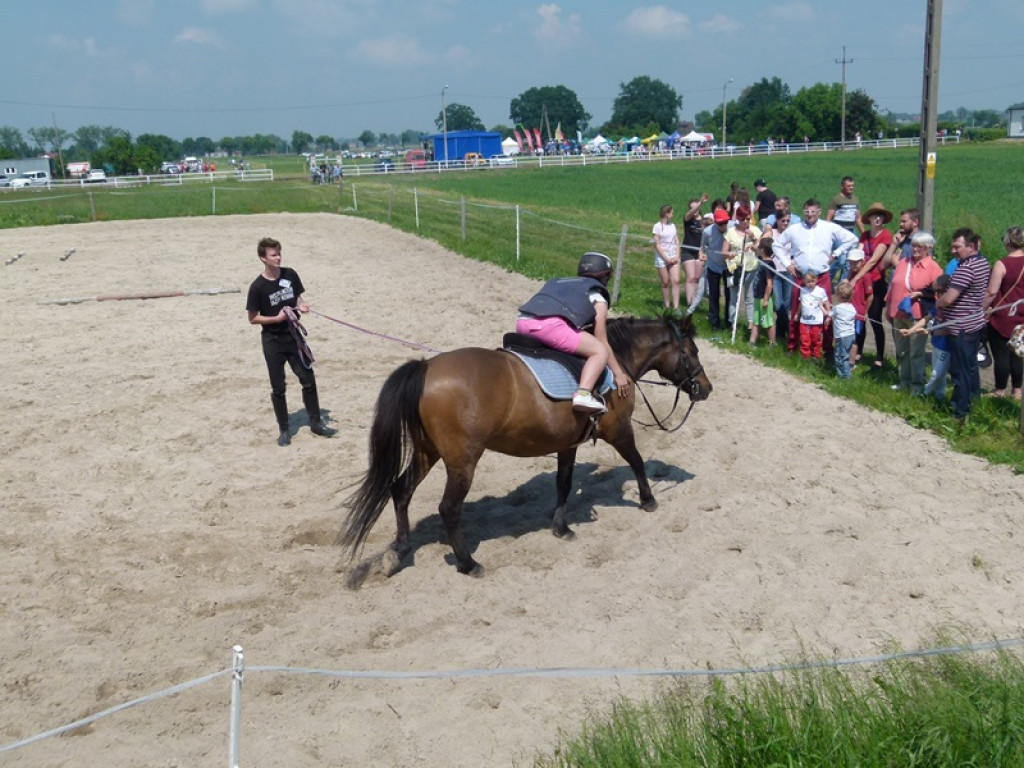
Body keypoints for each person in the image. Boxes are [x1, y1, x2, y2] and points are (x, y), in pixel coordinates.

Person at [246, 236, 336, 446]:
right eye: (273, 254)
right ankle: (284, 429)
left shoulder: (290, 274)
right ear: (263, 258)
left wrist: (301, 304)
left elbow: (296, 297)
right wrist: (276, 319)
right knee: (278, 387)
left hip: (293, 337)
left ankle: (315, 423)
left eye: (279, 253)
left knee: (308, 379)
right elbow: (253, 318)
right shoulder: (257, 287)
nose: (278, 257)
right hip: (272, 341)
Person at [516, 251, 631, 414]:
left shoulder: (562, 283)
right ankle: (583, 394)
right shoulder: (597, 296)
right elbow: (601, 339)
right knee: (599, 351)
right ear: (605, 276)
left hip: (522, 322)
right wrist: (619, 374)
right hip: (549, 328)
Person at [773, 198, 859, 355]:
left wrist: (836, 253)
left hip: (822, 276)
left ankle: (826, 348)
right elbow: (776, 245)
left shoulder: (829, 227)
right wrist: (787, 264)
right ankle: (793, 346)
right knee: (796, 310)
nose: (810, 215)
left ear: (819, 212)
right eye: (807, 212)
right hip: (800, 277)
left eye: (813, 212)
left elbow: (852, 239)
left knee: (826, 311)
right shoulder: (794, 229)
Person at [937, 228, 992, 420]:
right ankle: (973, 401)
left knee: (960, 370)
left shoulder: (966, 268)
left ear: (970, 247)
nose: (953, 251)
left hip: (961, 327)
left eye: (957, 247)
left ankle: (960, 411)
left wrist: (937, 301)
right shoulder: (982, 262)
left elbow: (949, 299)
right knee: (970, 367)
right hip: (973, 323)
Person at [885, 231, 944, 395]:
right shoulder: (903, 263)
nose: (915, 249)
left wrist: (922, 295)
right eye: (913, 245)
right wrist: (889, 306)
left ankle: (917, 385)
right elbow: (893, 285)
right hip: (899, 313)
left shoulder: (934, 268)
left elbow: (939, 294)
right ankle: (904, 381)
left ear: (928, 248)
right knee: (902, 350)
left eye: (920, 246)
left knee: (916, 352)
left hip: (919, 316)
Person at [850, 202, 894, 369]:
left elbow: (873, 261)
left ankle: (880, 356)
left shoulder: (885, 236)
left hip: (876, 281)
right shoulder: (865, 235)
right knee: (859, 316)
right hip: (861, 280)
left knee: (875, 319)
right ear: (868, 218)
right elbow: (858, 256)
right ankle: (858, 350)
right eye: (874, 215)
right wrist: (850, 277)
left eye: (880, 216)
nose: (877, 218)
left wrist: (855, 278)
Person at [984, 226, 1024, 400]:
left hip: (1003, 316)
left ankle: (999, 390)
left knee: (1001, 355)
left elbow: (992, 292)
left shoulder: (1002, 264)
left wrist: (983, 309)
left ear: (1008, 241)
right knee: (1018, 354)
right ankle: (1017, 391)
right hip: (1021, 315)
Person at [902, 275, 952, 402]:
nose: (936, 295)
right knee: (938, 374)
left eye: (938, 292)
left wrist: (929, 331)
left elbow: (948, 328)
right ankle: (939, 396)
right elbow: (926, 318)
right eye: (934, 292)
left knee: (937, 374)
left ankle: (924, 393)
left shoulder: (953, 308)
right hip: (936, 344)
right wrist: (911, 330)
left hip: (946, 347)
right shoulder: (938, 304)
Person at [723, 205, 762, 329]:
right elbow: (724, 251)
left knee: (749, 297)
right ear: (737, 219)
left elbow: (761, 249)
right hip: (735, 267)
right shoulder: (731, 232)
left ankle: (751, 324)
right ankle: (732, 322)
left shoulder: (755, 230)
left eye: (747, 219)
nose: (745, 222)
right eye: (742, 219)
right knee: (734, 297)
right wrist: (730, 254)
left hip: (751, 267)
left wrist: (753, 238)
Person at [699, 208, 733, 331]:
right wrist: (702, 254)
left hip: (729, 266)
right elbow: (703, 246)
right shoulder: (708, 232)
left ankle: (729, 321)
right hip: (714, 265)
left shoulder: (732, 228)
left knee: (730, 294)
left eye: (725, 222)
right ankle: (714, 322)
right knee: (714, 294)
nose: (723, 225)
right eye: (720, 223)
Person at [846, 248, 872, 366]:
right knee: (848, 334)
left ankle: (852, 361)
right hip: (849, 311)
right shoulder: (851, 274)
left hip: (859, 312)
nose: (853, 265)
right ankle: (847, 357)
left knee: (856, 337)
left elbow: (870, 296)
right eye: (851, 263)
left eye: (856, 262)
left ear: (862, 262)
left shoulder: (865, 276)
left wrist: (866, 312)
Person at [652, 204, 681, 310]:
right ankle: (667, 305)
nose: (673, 214)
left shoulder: (673, 225)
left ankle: (676, 307)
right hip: (662, 256)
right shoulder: (657, 226)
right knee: (665, 281)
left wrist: (677, 255)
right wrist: (666, 258)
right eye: (671, 212)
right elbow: (657, 244)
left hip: (673, 254)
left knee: (676, 280)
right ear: (666, 213)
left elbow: (676, 240)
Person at [681, 195, 707, 308]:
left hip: (700, 252)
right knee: (690, 277)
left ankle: (695, 302)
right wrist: (700, 203)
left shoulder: (704, 221)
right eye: (692, 208)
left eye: (696, 207)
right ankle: (689, 302)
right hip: (688, 251)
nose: (694, 210)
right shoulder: (688, 219)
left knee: (697, 278)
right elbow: (689, 214)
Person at [749, 237, 776, 346]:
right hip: (757, 297)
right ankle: (752, 341)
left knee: (768, 321)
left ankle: (772, 342)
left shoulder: (768, 265)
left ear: (763, 250)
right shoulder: (762, 259)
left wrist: (765, 299)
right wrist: (752, 244)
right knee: (756, 320)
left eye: (760, 247)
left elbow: (769, 284)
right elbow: (756, 249)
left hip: (764, 298)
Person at [797, 270, 830, 359]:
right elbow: (801, 303)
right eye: (808, 282)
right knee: (804, 339)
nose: (810, 284)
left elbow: (826, 302)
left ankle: (816, 356)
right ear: (804, 281)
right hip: (804, 320)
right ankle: (805, 356)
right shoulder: (803, 290)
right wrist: (797, 314)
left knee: (816, 339)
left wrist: (828, 315)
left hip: (816, 321)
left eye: (812, 281)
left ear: (816, 280)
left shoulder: (820, 291)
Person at [830, 280, 857, 378]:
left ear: (839, 296)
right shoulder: (852, 307)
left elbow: (828, 314)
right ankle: (845, 374)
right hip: (851, 335)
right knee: (845, 355)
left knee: (840, 357)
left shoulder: (837, 308)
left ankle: (844, 376)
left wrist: (822, 305)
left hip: (842, 336)